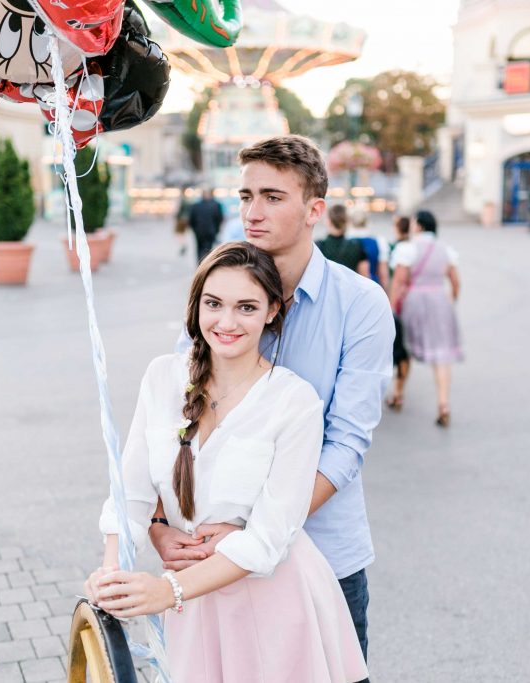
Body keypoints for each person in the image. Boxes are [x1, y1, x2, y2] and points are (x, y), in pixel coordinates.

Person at [152, 135, 394, 666]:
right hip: (212, 556)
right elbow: (175, 416)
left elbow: (347, 443)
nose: (252, 212)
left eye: (272, 197)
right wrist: (160, 526)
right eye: (245, 196)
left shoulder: (360, 305)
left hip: (322, 555)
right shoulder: (220, 291)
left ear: (315, 210)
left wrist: (253, 526)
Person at [86, 242, 369, 683]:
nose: (227, 322)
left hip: (276, 601)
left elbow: (271, 539)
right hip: (192, 604)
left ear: (272, 311)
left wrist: (166, 590)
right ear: (196, 303)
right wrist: (111, 571)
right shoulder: (162, 377)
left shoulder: (295, 403)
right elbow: (132, 494)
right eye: (214, 303)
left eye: (247, 307)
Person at [387, 210, 463, 427]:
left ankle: (398, 394)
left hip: (414, 301)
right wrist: (450, 300)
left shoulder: (407, 249)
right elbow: (456, 282)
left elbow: (399, 282)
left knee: (406, 349)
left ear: (418, 226)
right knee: (441, 355)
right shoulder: (446, 250)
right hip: (439, 301)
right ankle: (443, 404)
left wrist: (392, 308)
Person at [385, 215, 412, 411]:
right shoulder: (414, 247)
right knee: (405, 350)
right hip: (414, 302)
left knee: (397, 347)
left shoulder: (395, 249)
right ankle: (399, 390)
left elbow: (394, 279)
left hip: (397, 302)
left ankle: (396, 391)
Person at [316, 204, 370, 278]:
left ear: (328, 221)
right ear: (347, 221)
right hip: (350, 288)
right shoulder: (357, 245)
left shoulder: (318, 246)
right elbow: (365, 276)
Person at [347, 208, 389, 290]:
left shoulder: (346, 241)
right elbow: (383, 274)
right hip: (372, 288)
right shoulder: (379, 242)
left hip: (349, 289)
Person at [188, 189, 224, 264]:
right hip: (210, 231)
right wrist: (216, 230)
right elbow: (219, 219)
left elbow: (191, 219)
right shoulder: (216, 205)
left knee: (200, 248)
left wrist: (195, 229)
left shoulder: (196, 205)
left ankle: (200, 264)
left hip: (200, 231)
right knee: (208, 249)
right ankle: (205, 264)